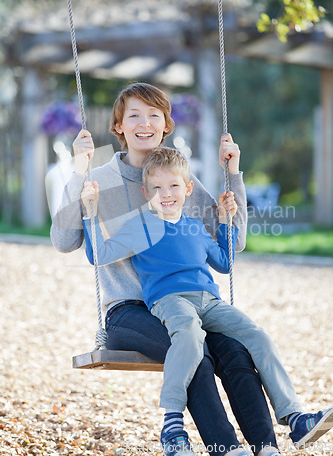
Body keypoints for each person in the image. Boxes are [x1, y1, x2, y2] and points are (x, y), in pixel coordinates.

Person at [51, 82, 282, 456]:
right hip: (129, 311)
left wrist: (234, 174)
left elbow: (232, 242)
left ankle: (266, 448)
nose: (145, 124)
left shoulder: (174, 177)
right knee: (194, 351)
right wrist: (79, 170)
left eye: (154, 115)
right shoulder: (101, 180)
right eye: (134, 116)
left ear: (165, 125)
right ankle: (224, 448)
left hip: (184, 303)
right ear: (118, 126)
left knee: (237, 352)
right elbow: (64, 241)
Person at [81, 146, 333, 456]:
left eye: (174, 186)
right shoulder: (141, 226)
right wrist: (90, 212)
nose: (166, 194)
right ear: (146, 192)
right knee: (188, 337)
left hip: (209, 301)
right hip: (170, 301)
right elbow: (99, 254)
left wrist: (226, 220)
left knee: (256, 335)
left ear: (188, 188)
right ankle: (172, 423)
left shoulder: (195, 226)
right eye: (157, 188)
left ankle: (295, 417)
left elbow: (225, 262)